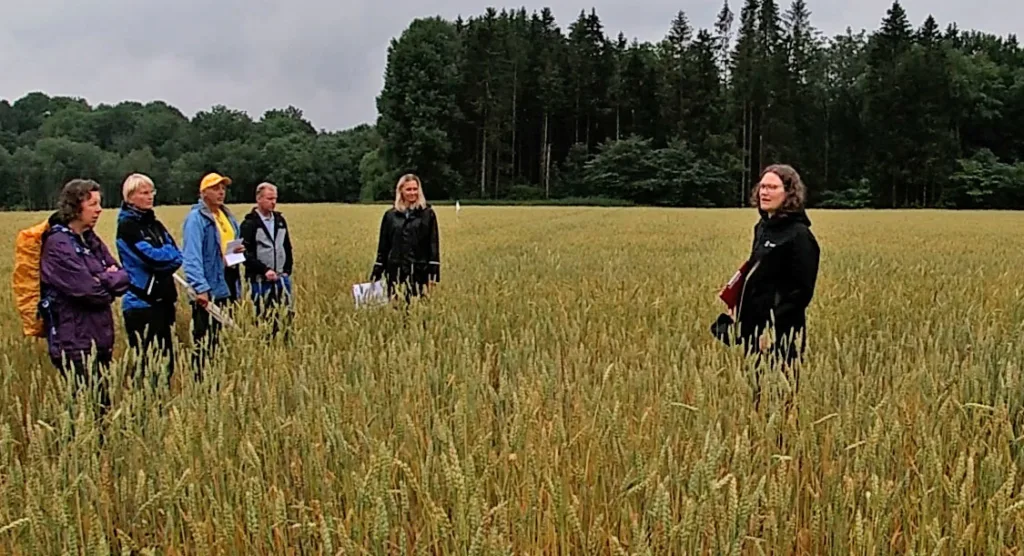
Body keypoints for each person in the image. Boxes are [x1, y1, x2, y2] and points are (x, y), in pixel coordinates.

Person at [717, 164, 820, 405]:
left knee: (778, 399)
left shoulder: (799, 236)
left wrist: (772, 332)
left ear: (789, 193)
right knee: (756, 397)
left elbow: (801, 293)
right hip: (753, 329)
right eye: (762, 186)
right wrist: (737, 301)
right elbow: (756, 272)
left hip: (781, 334)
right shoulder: (762, 228)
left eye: (772, 187)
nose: (764, 192)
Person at [39, 179, 130, 412]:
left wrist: (102, 277)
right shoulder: (58, 244)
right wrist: (104, 278)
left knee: (101, 408)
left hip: (98, 338)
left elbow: (123, 277)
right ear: (75, 206)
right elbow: (90, 291)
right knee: (82, 413)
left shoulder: (89, 239)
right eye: (93, 204)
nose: (99, 209)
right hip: (73, 343)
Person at [116, 173, 183, 388]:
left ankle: (160, 411)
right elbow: (152, 258)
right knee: (146, 364)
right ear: (130, 197)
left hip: (163, 302)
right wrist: (166, 256)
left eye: (151, 192)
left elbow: (177, 255)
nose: (150, 197)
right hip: (141, 303)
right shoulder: (128, 227)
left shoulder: (155, 224)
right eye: (144, 193)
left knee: (166, 363)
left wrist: (166, 257)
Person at [181, 172, 243, 375]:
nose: (221, 192)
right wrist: (200, 287)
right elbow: (192, 256)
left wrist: (238, 253)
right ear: (203, 193)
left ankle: (217, 377)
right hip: (208, 287)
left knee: (220, 338)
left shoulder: (226, 216)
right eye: (215, 188)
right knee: (205, 340)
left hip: (228, 280)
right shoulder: (196, 219)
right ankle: (201, 381)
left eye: (223, 188)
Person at [370, 174, 441, 303]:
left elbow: (433, 244)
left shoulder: (427, 214)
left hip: (419, 271)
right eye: (408, 189)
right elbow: (384, 246)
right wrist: (377, 271)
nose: (412, 193)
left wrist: (433, 275)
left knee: (417, 311)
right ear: (401, 191)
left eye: (415, 189)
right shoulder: (390, 216)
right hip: (395, 271)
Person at [240, 182, 293, 339]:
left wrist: (287, 270)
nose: (273, 202)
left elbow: (287, 246)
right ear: (259, 199)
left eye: (275, 198)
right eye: (269, 198)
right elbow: (244, 254)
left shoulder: (280, 220)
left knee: (285, 318)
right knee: (263, 319)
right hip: (260, 281)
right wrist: (264, 270)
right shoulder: (249, 224)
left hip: (281, 279)